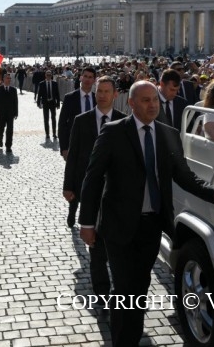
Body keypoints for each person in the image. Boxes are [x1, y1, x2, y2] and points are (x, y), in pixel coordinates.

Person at [78, 81, 214, 345]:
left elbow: (185, 176)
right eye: (146, 100)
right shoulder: (113, 132)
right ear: (131, 103)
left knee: (139, 288)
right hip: (119, 226)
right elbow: (93, 179)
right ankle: (122, 341)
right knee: (125, 289)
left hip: (151, 227)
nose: (152, 105)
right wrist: (87, 223)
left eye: (155, 101)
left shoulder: (168, 133)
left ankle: (132, 336)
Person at [63, 76, 125, 300]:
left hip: (117, 193)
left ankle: (120, 286)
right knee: (95, 244)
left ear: (115, 95)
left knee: (117, 242)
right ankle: (101, 290)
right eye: (100, 91)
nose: (102, 95)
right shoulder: (82, 120)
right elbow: (73, 156)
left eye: (107, 91)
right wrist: (69, 186)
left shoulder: (124, 121)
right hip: (90, 191)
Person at [58, 66, 96, 160]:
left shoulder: (98, 99)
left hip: (94, 146)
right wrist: (64, 148)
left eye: (90, 77)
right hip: (75, 144)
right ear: (81, 78)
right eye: (85, 76)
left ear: (94, 80)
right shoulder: (70, 98)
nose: (87, 79)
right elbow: (62, 124)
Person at [0, 73, 18, 153]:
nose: (9, 80)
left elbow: (15, 102)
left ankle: (8, 146)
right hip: (1, 113)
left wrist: (16, 112)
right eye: (7, 78)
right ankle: (0, 138)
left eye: (10, 78)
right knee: (0, 128)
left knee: (10, 130)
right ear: (3, 79)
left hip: (10, 113)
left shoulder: (13, 90)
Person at [36, 70, 60, 140]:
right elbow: (39, 94)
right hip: (45, 103)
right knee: (46, 119)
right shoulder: (42, 84)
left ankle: (54, 133)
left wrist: (58, 103)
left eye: (50, 75)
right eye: (47, 75)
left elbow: (57, 94)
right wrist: (38, 103)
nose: (49, 76)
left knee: (54, 118)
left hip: (53, 103)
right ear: (45, 76)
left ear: (51, 75)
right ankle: (47, 134)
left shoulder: (55, 83)